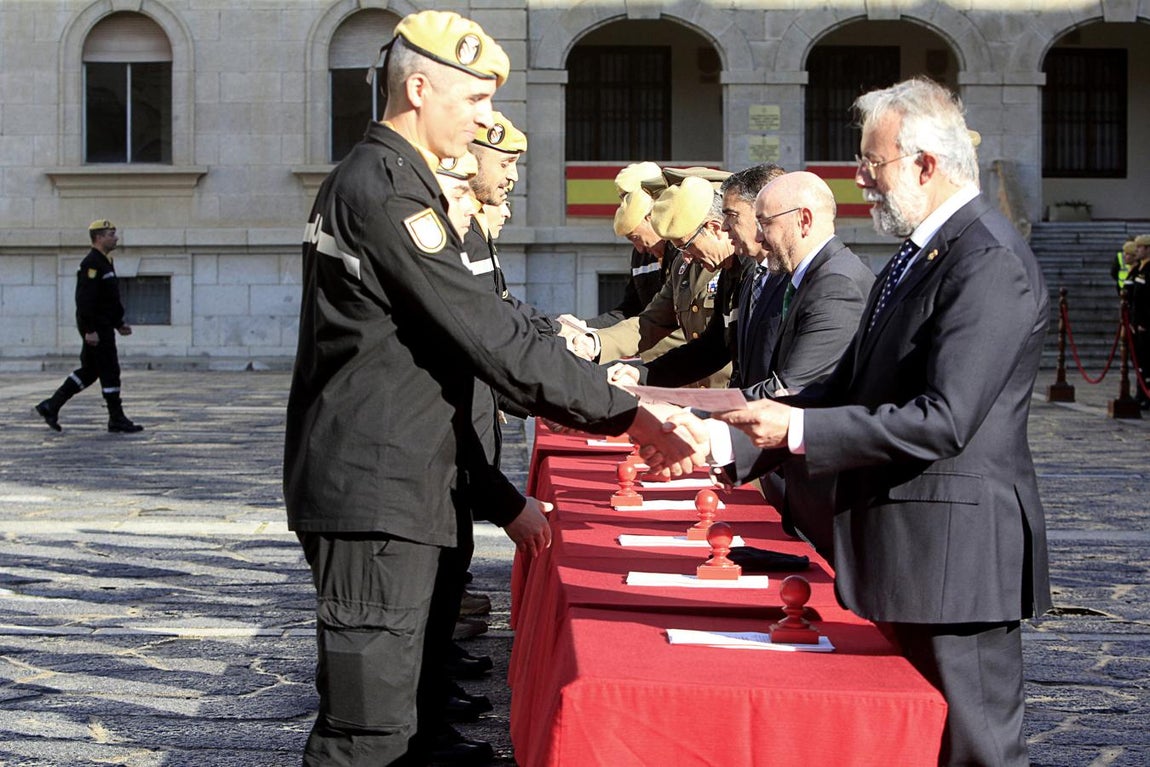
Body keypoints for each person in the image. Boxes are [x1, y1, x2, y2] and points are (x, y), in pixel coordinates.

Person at [283, 11, 697, 766]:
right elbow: (490, 338)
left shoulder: (395, 181)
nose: (486, 121)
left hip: (401, 482)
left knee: (400, 720)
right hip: (377, 492)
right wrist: (627, 413)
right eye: (474, 101)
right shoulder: (384, 190)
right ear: (417, 88)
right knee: (366, 735)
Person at [649, 78, 1052, 766]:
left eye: (874, 162)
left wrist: (799, 433)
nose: (860, 178)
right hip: (914, 553)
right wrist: (733, 438)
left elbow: (945, 418)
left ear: (926, 163)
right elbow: (850, 380)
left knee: (977, 750)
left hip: (958, 559)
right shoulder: (921, 251)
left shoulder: (985, 258)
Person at [34, 219, 144, 434]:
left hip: (103, 325)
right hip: (97, 328)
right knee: (109, 370)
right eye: (111, 234)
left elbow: (107, 300)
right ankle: (116, 418)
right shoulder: (91, 264)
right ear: (99, 237)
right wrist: (89, 329)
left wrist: (118, 323)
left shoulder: (105, 261)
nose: (116, 237)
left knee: (89, 371)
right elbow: (85, 300)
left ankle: (51, 405)